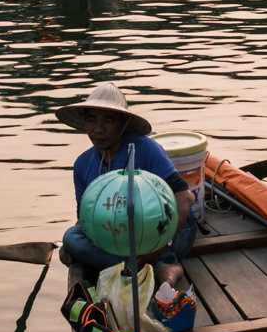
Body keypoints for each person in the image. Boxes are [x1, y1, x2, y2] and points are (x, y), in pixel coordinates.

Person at [56, 85, 196, 286]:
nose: (98, 129)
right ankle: (160, 268)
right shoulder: (82, 164)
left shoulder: (146, 149)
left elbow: (185, 197)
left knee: (90, 245)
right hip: (122, 232)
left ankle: (158, 260)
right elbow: (85, 219)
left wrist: (161, 246)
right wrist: (69, 246)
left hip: (167, 230)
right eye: (91, 120)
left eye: (108, 120)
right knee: (71, 237)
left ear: (123, 122)